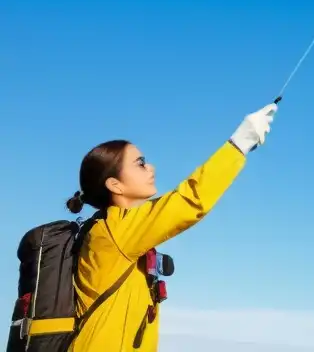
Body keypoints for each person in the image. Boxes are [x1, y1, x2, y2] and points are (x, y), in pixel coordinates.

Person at [64, 102, 278, 351]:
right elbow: (190, 200)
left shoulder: (115, 229)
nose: (151, 167)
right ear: (115, 185)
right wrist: (241, 141)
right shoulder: (115, 232)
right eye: (140, 163)